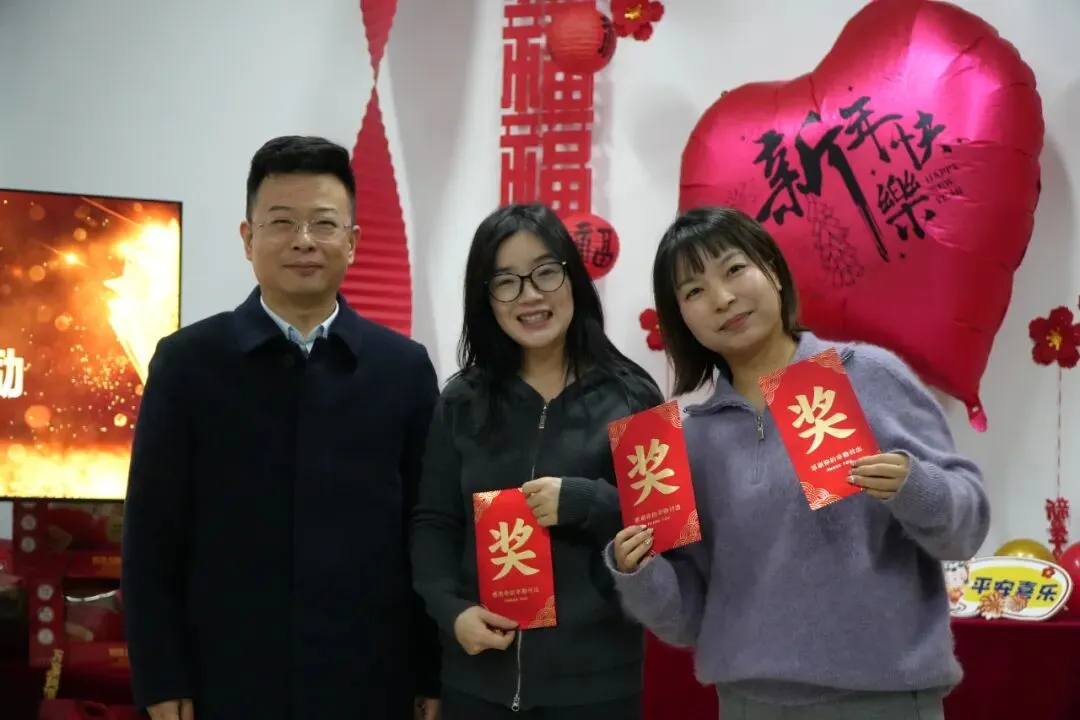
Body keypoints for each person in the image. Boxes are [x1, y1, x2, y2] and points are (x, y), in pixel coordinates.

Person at [607, 207, 990, 719]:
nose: (722, 298)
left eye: (734, 269)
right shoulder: (690, 440)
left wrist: (913, 485)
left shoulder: (866, 375)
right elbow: (686, 619)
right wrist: (640, 572)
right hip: (749, 704)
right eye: (694, 291)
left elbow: (965, 530)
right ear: (681, 318)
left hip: (884, 698)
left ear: (772, 269)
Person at [121, 136, 441, 720]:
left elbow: (428, 530)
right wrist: (161, 677)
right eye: (282, 222)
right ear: (248, 238)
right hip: (226, 680)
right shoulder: (188, 363)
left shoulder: (403, 369)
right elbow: (151, 534)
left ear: (352, 242)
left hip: (370, 680)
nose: (303, 240)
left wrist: (431, 673)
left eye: (324, 223)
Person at [411, 203, 664, 720]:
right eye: (506, 282)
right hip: (478, 682)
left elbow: (667, 530)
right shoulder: (462, 400)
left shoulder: (635, 395)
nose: (530, 295)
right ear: (485, 298)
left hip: (596, 687)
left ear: (573, 279)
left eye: (545, 272)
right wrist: (452, 612)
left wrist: (588, 502)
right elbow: (434, 522)